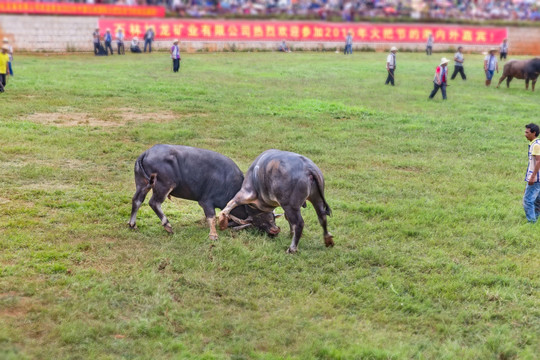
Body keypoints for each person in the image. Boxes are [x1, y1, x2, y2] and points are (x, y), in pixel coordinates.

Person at [523, 123, 540, 222]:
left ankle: (531, 221)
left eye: (527, 132)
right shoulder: (537, 143)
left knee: (528, 200)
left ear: (534, 133)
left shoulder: (536, 145)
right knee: (538, 200)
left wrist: (533, 177)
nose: (525, 134)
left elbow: (539, 161)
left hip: (536, 178)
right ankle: (536, 217)